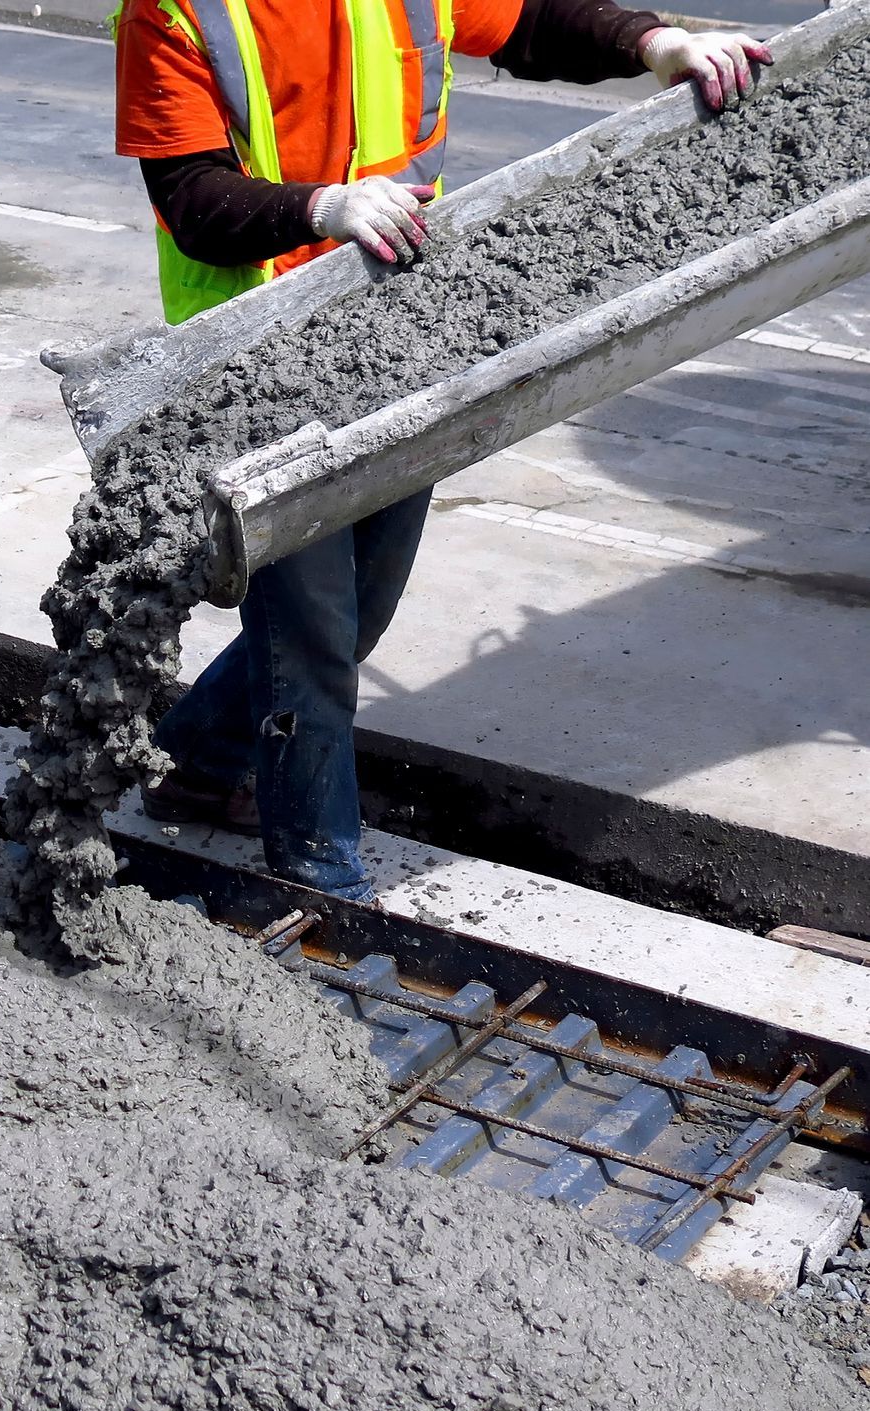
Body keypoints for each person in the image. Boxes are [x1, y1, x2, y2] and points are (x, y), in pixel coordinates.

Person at [124, 0, 771, 900]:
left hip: (394, 330)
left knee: (365, 606)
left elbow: (531, 23)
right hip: (255, 359)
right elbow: (190, 196)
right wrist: (323, 207)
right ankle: (321, 874)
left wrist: (658, 43)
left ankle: (197, 764)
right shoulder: (179, 12)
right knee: (311, 632)